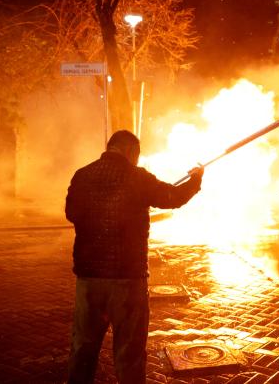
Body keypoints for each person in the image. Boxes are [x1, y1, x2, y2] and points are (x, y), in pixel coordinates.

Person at [65, 130, 203, 384]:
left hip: (89, 280)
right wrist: (195, 180)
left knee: (83, 348)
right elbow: (172, 197)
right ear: (130, 151)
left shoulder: (82, 175)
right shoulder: (137, 177)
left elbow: (71, 213)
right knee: (129, 353)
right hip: (127, 279)